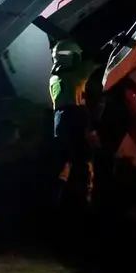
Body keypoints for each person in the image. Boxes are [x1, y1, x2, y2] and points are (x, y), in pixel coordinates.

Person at [49, 39, 99, 208]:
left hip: (59, 120)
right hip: (75, 117)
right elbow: (97, 61)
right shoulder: (77, 74)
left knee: (63, 162)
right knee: (84, 160)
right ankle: (84, 201)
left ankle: (57, 199)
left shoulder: (54, 78)